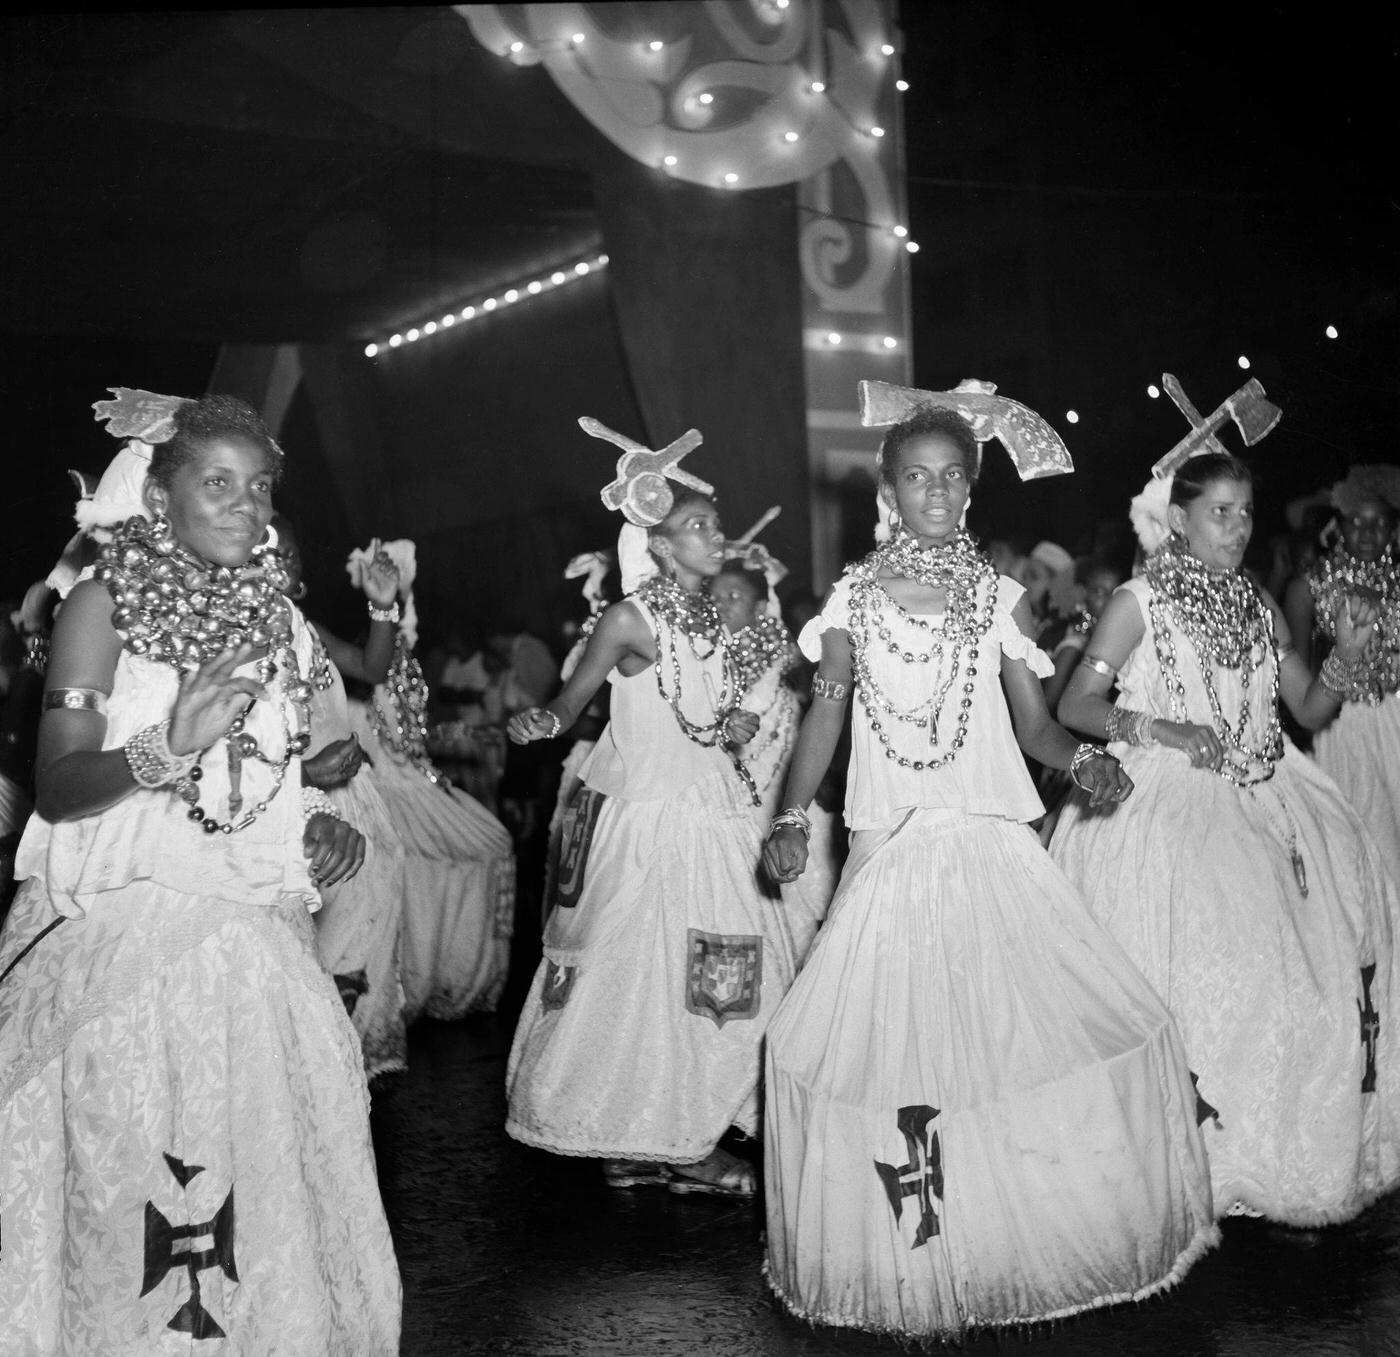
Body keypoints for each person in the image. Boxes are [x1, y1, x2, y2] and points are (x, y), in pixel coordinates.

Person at [760, 384, 1217, 1340]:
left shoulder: (997, 602)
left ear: (970, 491)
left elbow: (1040, 730)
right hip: (891, 853)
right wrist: (794, 815)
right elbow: (827, 716)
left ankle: (1014, 1239)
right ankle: (919, 1253)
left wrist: (1089, 761)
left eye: (951, 478)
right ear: (890, 491)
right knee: (893, 1053)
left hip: (991, 849)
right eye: (916, 477)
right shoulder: (848, 605)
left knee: (1015, 1041)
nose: (935, 492)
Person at [0, 390, 399, 1350]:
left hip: (252, 946)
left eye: (259, 487)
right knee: (128, 1172)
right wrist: (161, 748)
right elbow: (56, 786)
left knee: (252, 1172)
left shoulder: (284, 625)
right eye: (216, 483)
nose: (245, 505)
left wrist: (311, 822)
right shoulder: (103, 604)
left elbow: (262, 777)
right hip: (124, 944)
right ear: (161, 497)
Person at [1051, 449, 1400, 1225]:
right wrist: (1159, 726)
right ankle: (1185, 1164)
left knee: (1314, 973)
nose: (1238, 527)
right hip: (1169, 801)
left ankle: (1272, 1160)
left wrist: (1343, 654)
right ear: (1179, 518)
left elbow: (1307, 711)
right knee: (1213, 972)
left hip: (1267, 794)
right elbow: (1076, 704)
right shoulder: (1135, 602)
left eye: (1246, 512)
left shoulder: (1258, 604)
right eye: (1221, 512)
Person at [504, 417, 801, 1196]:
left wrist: (731, 722)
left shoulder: (712, 620)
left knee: (720, 977)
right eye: (696, 527)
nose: (716, 536)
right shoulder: (630, 618)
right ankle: (658, 1138)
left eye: (713, 524)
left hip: (714, 816)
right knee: (645, 981)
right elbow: (571, 703)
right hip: (652, 827)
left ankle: (676, 1130)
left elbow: (701, 714)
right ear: (661, 547)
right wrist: (541, 720)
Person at [344, 538, 518, 1021]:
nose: (410, 619)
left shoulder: (400, 665)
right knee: (489, 846)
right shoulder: (370, 670)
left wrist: (462, 734)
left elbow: (411, 736)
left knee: (483, 849)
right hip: (392, 794)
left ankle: (446, 978)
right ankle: (439, 981)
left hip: (414, 785)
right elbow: (392, 744)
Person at [270, 513, 410, 1079]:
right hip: (291, 813)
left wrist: (383, 602)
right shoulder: (232, 640)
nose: (278, 561)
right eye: (265, 550)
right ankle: (316, 1069)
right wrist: (307, 774)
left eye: (289, 554)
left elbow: (372, 666)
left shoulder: (305, 629)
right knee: (310, 947)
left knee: (365, 932)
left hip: (354, 802)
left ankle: (358, 1060)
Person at [712, 547, 837, 958]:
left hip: (777, 795)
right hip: (722, 807)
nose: (721, 605)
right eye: (714, 597)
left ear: (762, 605)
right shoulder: (705, 661)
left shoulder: (783, 666)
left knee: (796, 913)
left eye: (733, 596)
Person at [1284, 464, 1400, 873]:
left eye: (1379, 523)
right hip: (1340, 727)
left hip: (1394, 723)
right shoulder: (1308, 588)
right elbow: (1297, 681)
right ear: (1339, 525)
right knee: (1355, 850)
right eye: (1356, 522)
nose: (1367, 533)